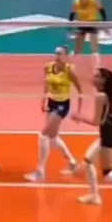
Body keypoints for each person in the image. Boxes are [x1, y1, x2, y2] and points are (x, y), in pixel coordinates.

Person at [72, 68, 112, 205]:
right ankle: (94, 196)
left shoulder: (100, 96)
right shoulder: (107, 95)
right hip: (109, 133)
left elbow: (96, 121)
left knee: (108, 174)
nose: (93, 77)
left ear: (103, 81)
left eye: (97, 76)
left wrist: (79, 117)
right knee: (88, 160)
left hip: (107, 135)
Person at [24, 46, 82, 182]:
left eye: (60, 54)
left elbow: (80, 91)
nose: (57, 56)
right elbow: (46, 83)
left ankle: (40, 172)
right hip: (52, 102)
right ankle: (72, 162)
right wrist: (43, 100)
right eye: (56, 53)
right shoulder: (48, 67)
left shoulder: (70, 70)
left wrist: (78, 112)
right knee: (52, 138)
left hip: (62, 105)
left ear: (66, 56)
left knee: (43, 135)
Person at [69, 0, 107, 70]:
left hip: (92, 24)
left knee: (94, 48)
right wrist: (70, 24)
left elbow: (102, 10)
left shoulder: (93, 1)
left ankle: (97, 67)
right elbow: (72, 13)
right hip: (82, 25)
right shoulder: (76, 2)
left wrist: (104, 22)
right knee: (78, 49)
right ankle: (74, 67)